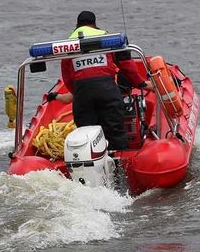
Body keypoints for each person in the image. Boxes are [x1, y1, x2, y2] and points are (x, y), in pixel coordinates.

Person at [49, 11, 152, 150]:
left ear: (77, 25)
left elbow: (67, 77)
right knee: (115, 130)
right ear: (94, 24)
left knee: (86, 134)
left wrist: (77, 93)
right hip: (107, 90)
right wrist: (140, 83)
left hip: (82, 93)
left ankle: (89, 165)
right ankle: (120, 164)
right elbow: (126, 64)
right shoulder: (107, 38)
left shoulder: (68, 44)